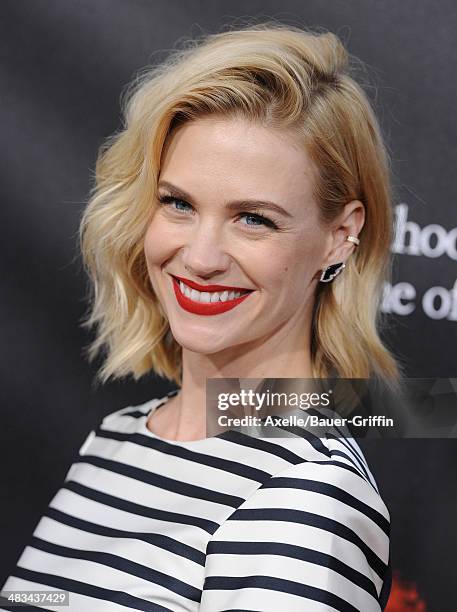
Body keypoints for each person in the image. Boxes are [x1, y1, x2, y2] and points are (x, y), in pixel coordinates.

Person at [1, 22, 401, 611]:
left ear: (339, 237)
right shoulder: (115, 441)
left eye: (254, 219)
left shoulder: (310, 497)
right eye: (179, 204)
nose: (201, 258)